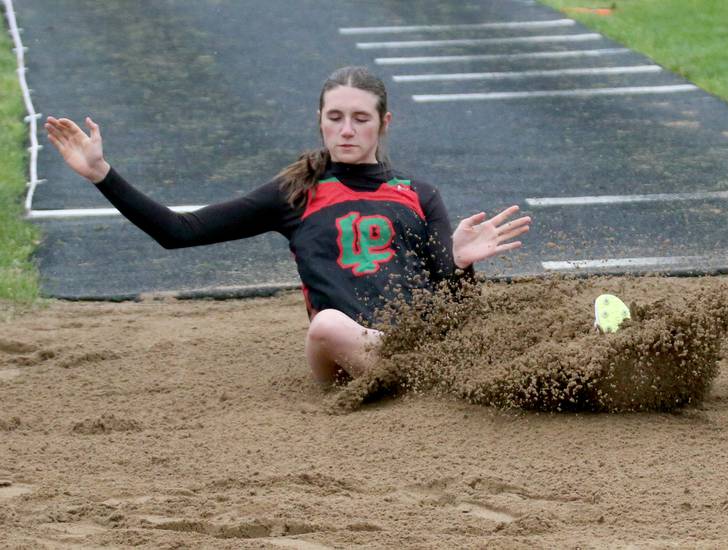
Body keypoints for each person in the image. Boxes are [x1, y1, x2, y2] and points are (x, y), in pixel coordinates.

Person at [45, 66, 532, 386]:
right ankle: (426, 378)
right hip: (343, 355)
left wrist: (462, 264)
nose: (346, 129)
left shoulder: (419, 194)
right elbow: (179, 231)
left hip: (414, 345)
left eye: (360, 118)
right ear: (319, 121)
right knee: (327, 324)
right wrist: (101, 174)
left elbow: (455, 309)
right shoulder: (295, 193)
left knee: (471, 338)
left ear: (384, 123)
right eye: (335, 117)